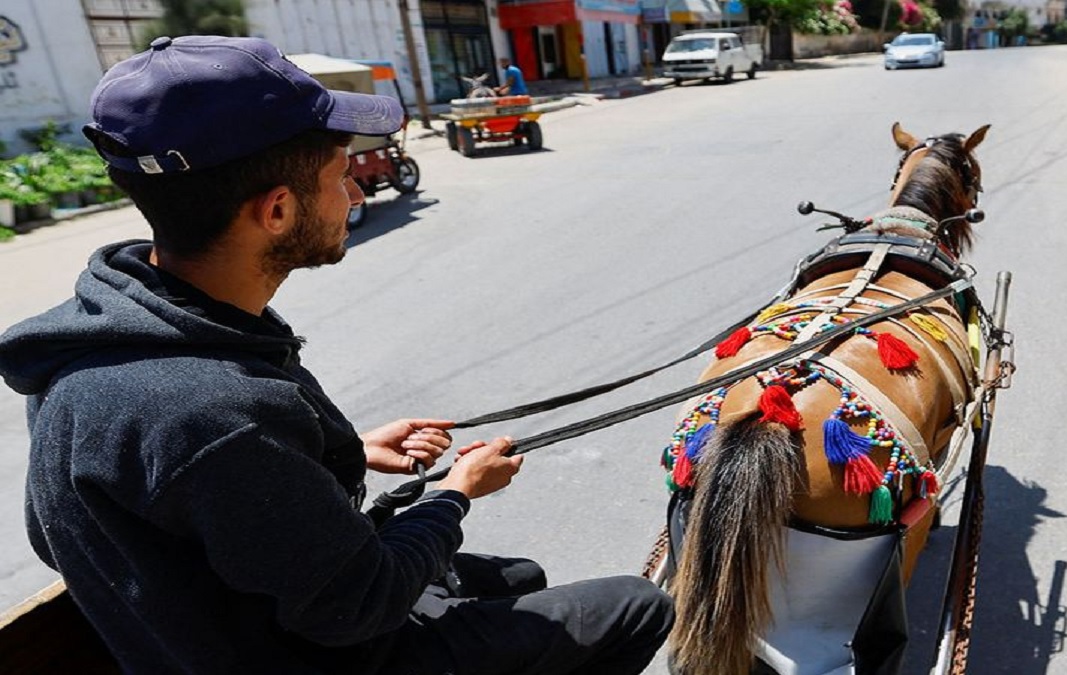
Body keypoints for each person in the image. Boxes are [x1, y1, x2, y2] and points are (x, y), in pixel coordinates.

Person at [0, 35, 672, 674]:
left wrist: (330, 454)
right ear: (277, 211)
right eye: (343, 175)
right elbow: (358, 604)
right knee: (638, 605)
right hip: (322, 652)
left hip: (249, 622)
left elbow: (151, 501)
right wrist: (456, 492)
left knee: (520, 577)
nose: (355, 194)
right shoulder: (214, 411)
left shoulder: (106, 335)